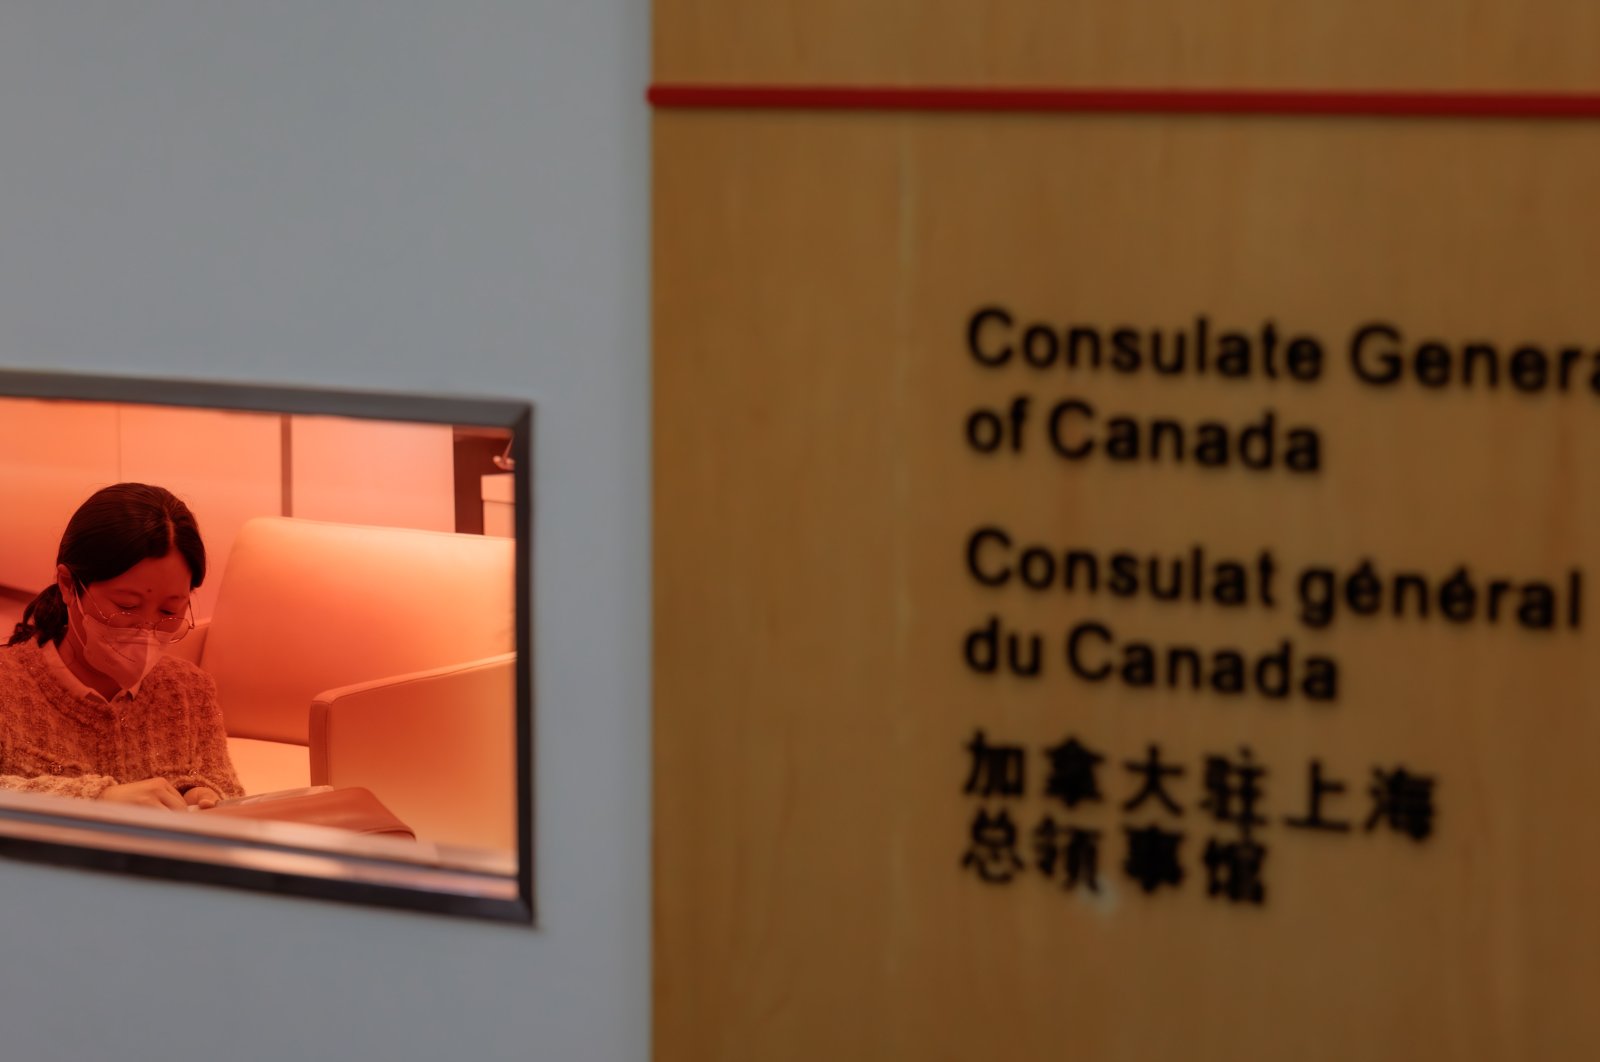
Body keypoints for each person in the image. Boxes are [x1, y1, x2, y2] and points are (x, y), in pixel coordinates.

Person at [0, 483, 242, 810]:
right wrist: (98, 801)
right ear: (68, 585)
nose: (146, 628)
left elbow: (223, 786)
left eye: (170, 611)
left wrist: (203, 796)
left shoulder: (189, 691)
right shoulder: (9, 686)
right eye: (126, 606)